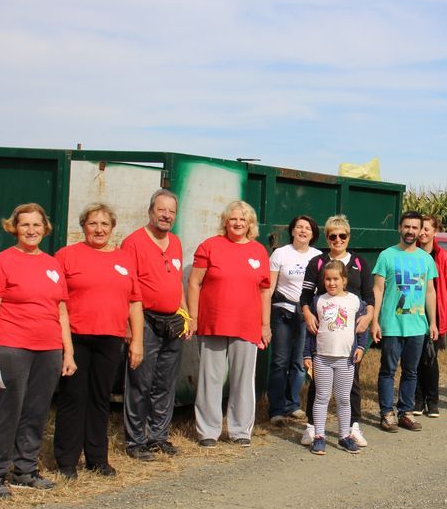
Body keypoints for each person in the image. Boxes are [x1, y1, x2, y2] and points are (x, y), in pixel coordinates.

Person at [0, 203, 76, 498]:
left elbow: (61, 312)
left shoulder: (52, 264)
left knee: (36, 411)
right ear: (14, 228)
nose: (31, 230)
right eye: (25, 225)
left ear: (45, 228)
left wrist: (67, 352)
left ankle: (25, 471)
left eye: (36, 225)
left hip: (48, 350)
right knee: (8, 411)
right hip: (11, 348)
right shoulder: (2, 262)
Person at [52, 203, 144, 479]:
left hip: (110, 338)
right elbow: (57, 302)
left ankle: (97, 459)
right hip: (76, 338)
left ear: (113, 227)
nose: (99, 229)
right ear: (83, 227)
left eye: (104, 224)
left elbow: (135, 303)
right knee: (73, 398)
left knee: (100, 399)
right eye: (93, 224)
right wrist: (65, 344)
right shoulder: (66, 256)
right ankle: (67, 462)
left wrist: (136, 341)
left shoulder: (125, 260)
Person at [188, 200, 271, 448]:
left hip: (247, 325)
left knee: (243, 380)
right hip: (213, 321)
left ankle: (240, 430)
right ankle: (208, 431)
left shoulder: (258, 251)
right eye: (233, 219)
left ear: (250, 225)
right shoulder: (210, 246)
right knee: (209, 379)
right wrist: (192, 316)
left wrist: (265, 325)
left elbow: (265, 291)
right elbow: (194, 283)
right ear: (226, 221)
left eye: (242, 220)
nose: (237, 223)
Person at [121, 190, 190, 461]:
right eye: (161, 210)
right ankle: (135, 440)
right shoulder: (133, 243)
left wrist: (186, 314)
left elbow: (176, 283)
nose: (166, 215)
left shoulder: (175, 242)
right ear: (151, 211)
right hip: (145, 320)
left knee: (165, 382)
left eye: (171, 211)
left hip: (172, 321)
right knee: (140, 381)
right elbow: (128, 288)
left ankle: (158, 437)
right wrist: (131, 328)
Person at [300, 214, 375, 447]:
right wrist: (308, 314)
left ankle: (351, 427)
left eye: (342, 235)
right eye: (333, 236)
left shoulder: (359, 262)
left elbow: (369, 297)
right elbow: (305, 297)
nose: (338, 239)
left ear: (348, 237)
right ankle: (313, 427)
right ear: (327, 238)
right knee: (318, 386)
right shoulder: (318, 262)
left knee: (352, 384)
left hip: (349, 336)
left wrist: (369, 317)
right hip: (324, 333)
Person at [371, 211, 438, 433]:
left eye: (415, 227)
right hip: (391, 324)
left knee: (411, 372)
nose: (410, 231)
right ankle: (387, 414)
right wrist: (375, 321)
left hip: (417, 327)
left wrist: (433, 322)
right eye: (406, 227)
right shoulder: (387, 256)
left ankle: (406, 413)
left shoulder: (426, 259)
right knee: (388, 370)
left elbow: (430, 291)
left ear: (420, 230)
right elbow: (378, 289)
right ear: (400, 228)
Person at [302, 260, 369, 455]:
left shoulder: (355, 301)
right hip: (322, 358)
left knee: (343, 399)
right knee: (321, 397)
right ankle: (319, 437)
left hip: (345, 360)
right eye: (328, 279)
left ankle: (344, 437)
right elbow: (310, 331)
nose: (331, 283)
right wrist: (307, 354)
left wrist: (361, 347)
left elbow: (362, 328)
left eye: (336, 279)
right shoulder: (318, 301)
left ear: (344, 280)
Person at [268, 215, 321, 426]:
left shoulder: (318, 257)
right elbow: (270, 287)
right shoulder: (280, 253)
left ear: (312, 233)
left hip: (306, 315)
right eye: (299, 227)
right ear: (292, 231)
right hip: (283, 312)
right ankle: (276, 409)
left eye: (307, 228)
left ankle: (293, 405)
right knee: (280, 362)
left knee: (300, 363)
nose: (302, 231)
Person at [413, 215, 447, 418]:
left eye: (427, 229)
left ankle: (432, 402)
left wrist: (444, 305)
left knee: (430, 358)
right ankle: (416, 400)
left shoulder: (443, 257)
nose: (422, 233)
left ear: (435, 232)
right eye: (420, 229)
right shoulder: (410, 253)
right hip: (413, 312)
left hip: (434, 314)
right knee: (414, 358)